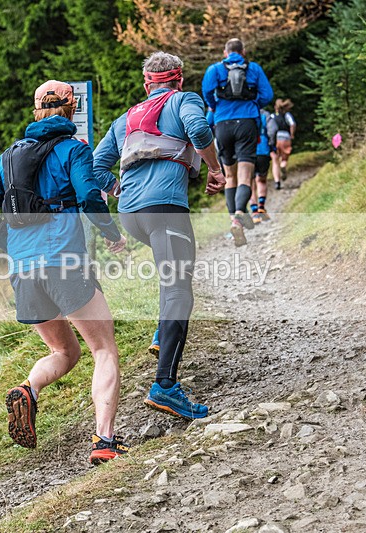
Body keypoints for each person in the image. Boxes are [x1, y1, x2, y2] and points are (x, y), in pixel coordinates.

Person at [0, 80, 131, 464]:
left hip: (23, 269)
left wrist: (9, 243)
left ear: (35, 110)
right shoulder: (74, 149)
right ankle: (104, 441)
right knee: (103, 349)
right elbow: (91, 195)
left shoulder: (7, 157)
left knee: (63, 350)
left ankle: (29, 388)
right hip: (64, 261)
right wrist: (112, 233)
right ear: (71, 109)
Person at [93, 51, 226, 419]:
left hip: (133, 217)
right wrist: (215, 170)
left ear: (146, 84)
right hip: (165, 211)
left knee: (172, 283)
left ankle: (161, 334)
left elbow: (95, 167)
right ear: (179, 80)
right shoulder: (185, 100)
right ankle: (165, 386)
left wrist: (120, 189)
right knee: (180, 292)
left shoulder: (126, 119)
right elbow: (199, 131)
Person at [202, 38, 273, 247]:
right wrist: (253, 104)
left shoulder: (215, 69)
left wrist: (215, 107)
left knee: (229, 175)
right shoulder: (254, 68)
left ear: (225, 52)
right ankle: (241, 213)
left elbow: (206, 91)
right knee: (245, 174)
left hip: (223, 123)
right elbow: (267, 95)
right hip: (247, 122)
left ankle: (234, 220)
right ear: (243, 51)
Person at [250, 109, 273, 225]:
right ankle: (261, 207)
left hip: (247, 151)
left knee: (250, 182)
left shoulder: (244, 111)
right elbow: (272, 130)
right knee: (262, 180)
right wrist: (272, 144)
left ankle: (254, 212)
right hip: (263, 150)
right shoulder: (265, 114)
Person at [269, 98, 296, 188]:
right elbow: (292, 124)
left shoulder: (272, 116)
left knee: (275, 160)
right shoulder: (287, 115)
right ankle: (283, 166)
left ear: (275, 107)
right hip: (285, 137)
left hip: (275, 138)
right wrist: (292, 134)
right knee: (284, 158)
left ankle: (277, 182)